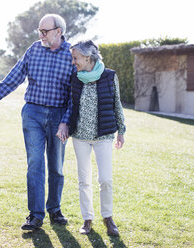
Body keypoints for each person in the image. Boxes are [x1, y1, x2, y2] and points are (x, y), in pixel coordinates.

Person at [0, 14, 74, 231]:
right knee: (35, 164)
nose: (40, 35)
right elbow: (12, 78)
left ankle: (54, 209)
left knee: (56, 165)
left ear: (58, 31)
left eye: (44, 31)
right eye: (39, 31)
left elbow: (74, 95)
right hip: (33, 113)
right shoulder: (33, 50)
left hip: (59, 116)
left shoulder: (72, 55)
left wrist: (66, 122)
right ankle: (36, 215)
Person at [64, 40, 126, 236]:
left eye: (76, 58)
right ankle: (87, 219)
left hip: (104, 135)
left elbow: (117, 103)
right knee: (84, 180)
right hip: (80, 136)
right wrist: (64, 125)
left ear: (87, 57)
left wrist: (121, 131)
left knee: (105, 179)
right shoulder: (75, 77)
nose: (73, 62)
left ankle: (108, 218)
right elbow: (69, 105)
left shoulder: (109, 76)